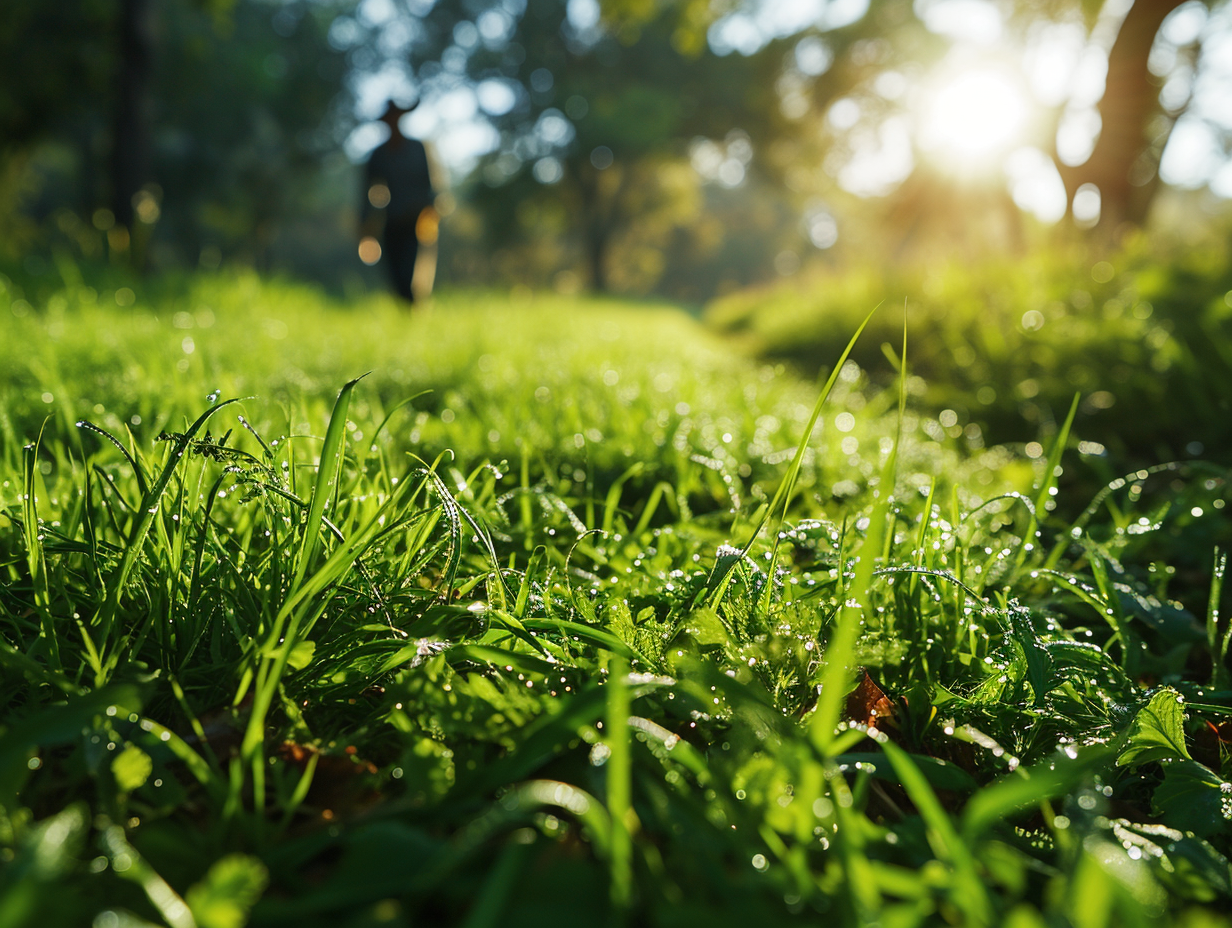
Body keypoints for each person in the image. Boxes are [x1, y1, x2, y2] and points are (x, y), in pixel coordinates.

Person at [360, 99, 438, 303]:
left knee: (410, 269)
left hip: (415, 221)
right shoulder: (378, 155)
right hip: (391, 221)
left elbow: (429, 185)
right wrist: (365, 225)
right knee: (394, 272)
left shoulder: (417, 148)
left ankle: (413, 309)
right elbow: (367, 191)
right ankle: (406, 309)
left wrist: (431, 213)